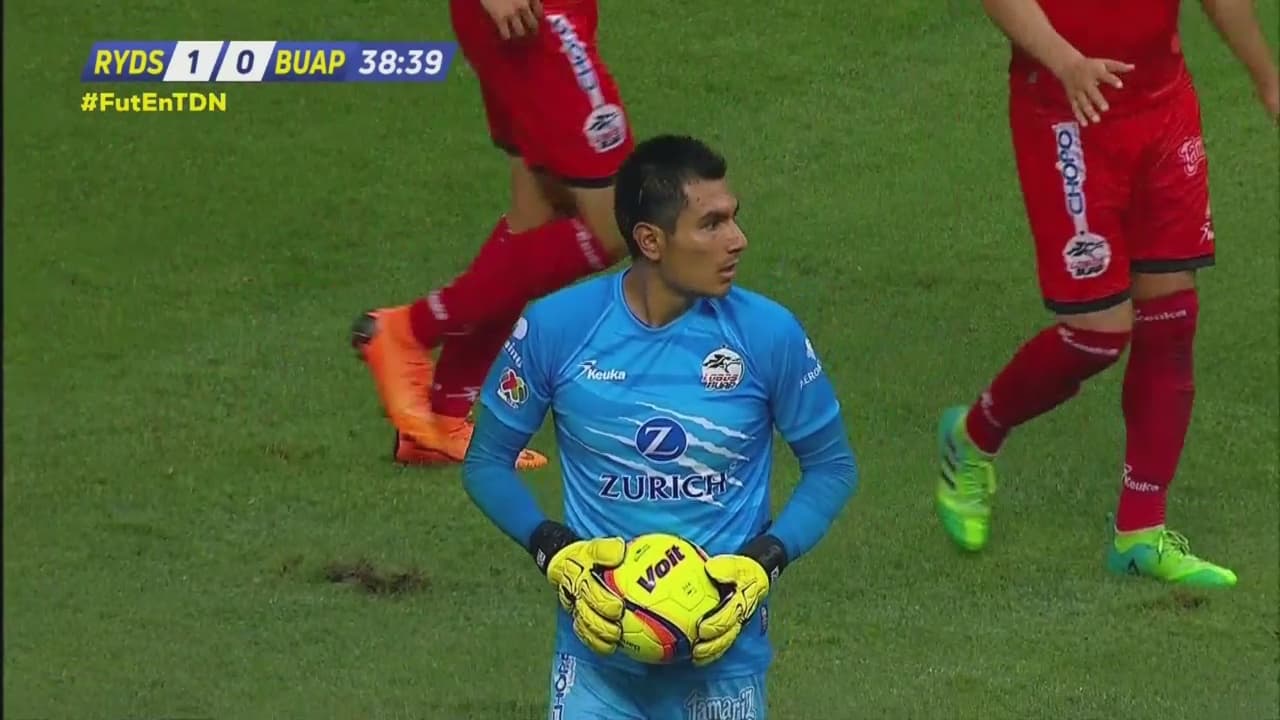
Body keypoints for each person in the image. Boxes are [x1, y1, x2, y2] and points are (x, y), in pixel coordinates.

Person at [461, 135, 859, 718]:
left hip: (721, 670)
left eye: (733, 218)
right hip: (595, 667)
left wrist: (764, 560)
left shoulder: (767, 334)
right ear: (650, 240)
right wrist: (554, 549)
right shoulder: (557, 329)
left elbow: (832, 467)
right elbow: (486, 462)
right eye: (712, 224)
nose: (737, 240)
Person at [935, 0, 1279, 587]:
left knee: (1171, 320)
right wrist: (1065, 61)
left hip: (1163, 108)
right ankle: (973, 437)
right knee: (1097, 336)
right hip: (1067, 112)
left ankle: (1140, 533)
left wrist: (1268, 80)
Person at [351, 0, 637, 468]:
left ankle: (441, 419)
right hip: (538, 17)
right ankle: (408, 329)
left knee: (537, 215)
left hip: (542, 19)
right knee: (624, 220)